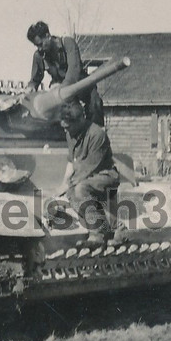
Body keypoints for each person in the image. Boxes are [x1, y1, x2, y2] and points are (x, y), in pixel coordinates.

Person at [57, 99, 120, 246]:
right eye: (64, 126)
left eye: (68, 126)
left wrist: (68, 185)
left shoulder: (97, 135)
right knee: (72, 194)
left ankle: (97, 234)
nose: (65, 130)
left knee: (80, 189)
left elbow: (88, 168)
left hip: (105, 175)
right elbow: (72, 162)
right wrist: (63, 185)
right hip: (86, 177)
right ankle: (112, 227)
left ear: (80, 120)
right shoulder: (70, 133)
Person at [26, 20, 105, 126]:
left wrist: (62, 88)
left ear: (47, 35)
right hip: (59, 90)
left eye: (40, 44)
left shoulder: (67, 43)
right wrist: (30, 87)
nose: (39, 48)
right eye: (36, 46)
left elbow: (74, 70)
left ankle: (96, 136)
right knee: (65, 117)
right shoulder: (39, 55)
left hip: (80, 84)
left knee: (95, 104)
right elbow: (35, 79)